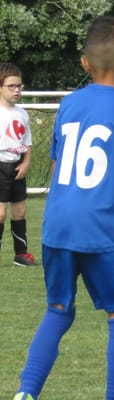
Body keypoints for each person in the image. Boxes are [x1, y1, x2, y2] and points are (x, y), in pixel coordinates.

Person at [1, 16, 114, 400]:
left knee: (57, 310)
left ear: (85, 64)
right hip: (100, 229)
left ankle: (23, 399)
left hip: (56, 225)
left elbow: (57, 169)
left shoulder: (69, 104)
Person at [0, 62, 36, 266]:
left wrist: (26, 163)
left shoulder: (22, 113)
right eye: (11, 86)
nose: (16, 90)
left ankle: (21, 254)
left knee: (19, 211)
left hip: (17, 166)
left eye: (19, 86)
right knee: (0, 213)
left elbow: (27, 142)